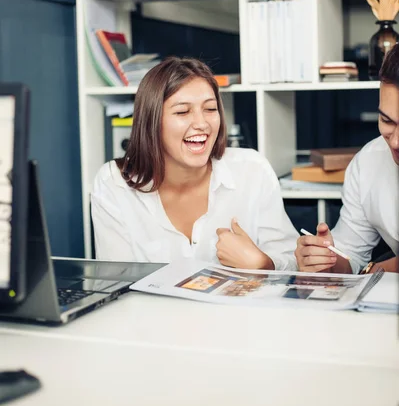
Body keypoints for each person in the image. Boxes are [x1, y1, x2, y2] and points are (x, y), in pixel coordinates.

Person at [91, 56, 298, 270]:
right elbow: (116, 281)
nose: (202, 124)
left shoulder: (253, 169)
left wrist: (262, 264)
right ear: (152, 122)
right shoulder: (113, 183)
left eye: (210, 109)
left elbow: (292, 260)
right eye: (182, 111)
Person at [295, 44, 399, 274]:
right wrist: (326, 260)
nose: (395, 142)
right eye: (388, 121)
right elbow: (350, 258)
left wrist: (378, 269)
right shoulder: (368, 164)